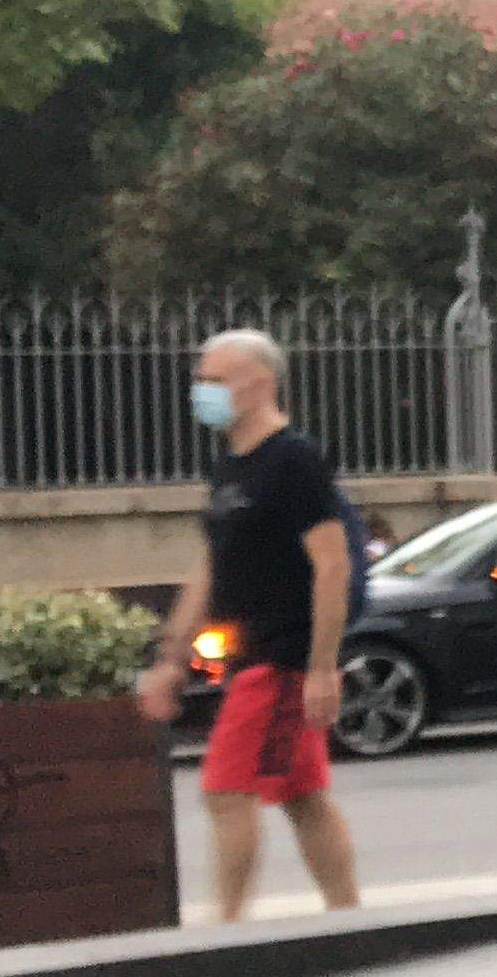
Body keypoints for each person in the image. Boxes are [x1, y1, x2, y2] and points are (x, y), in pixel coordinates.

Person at [135, 328, 362, 920]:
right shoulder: (231, 467)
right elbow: (211, 567)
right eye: (200, 379)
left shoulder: (294, 461)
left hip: (280, 661)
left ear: (259, 383)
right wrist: (172, 659)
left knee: (225, 791)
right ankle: (349, 917)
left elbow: (332, 564)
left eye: (215, 379)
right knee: (302, 795)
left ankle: (229, 930)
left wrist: (321, 669)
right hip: (252, 657)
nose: (202, 391)